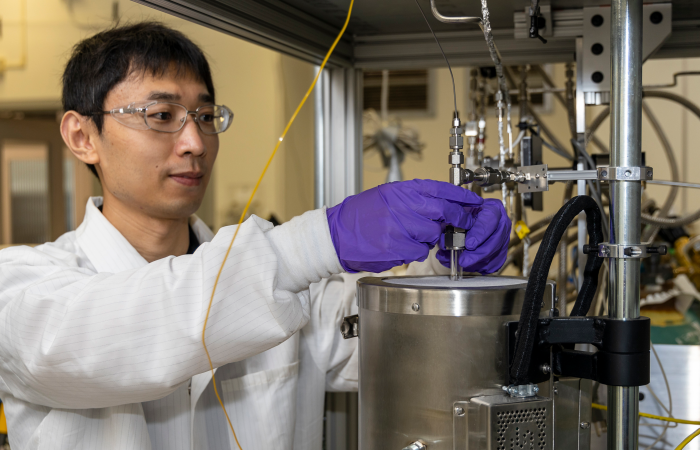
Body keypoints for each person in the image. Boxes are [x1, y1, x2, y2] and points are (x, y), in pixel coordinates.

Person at [0, 22, 510, 450]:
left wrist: (449, 269)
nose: (195, 142)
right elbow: (120, 328)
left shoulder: (297, 295)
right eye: (161, 116)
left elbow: (405, 349)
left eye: (204, 116)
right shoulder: (22, 289)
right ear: (83, 136)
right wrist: (315, 241)